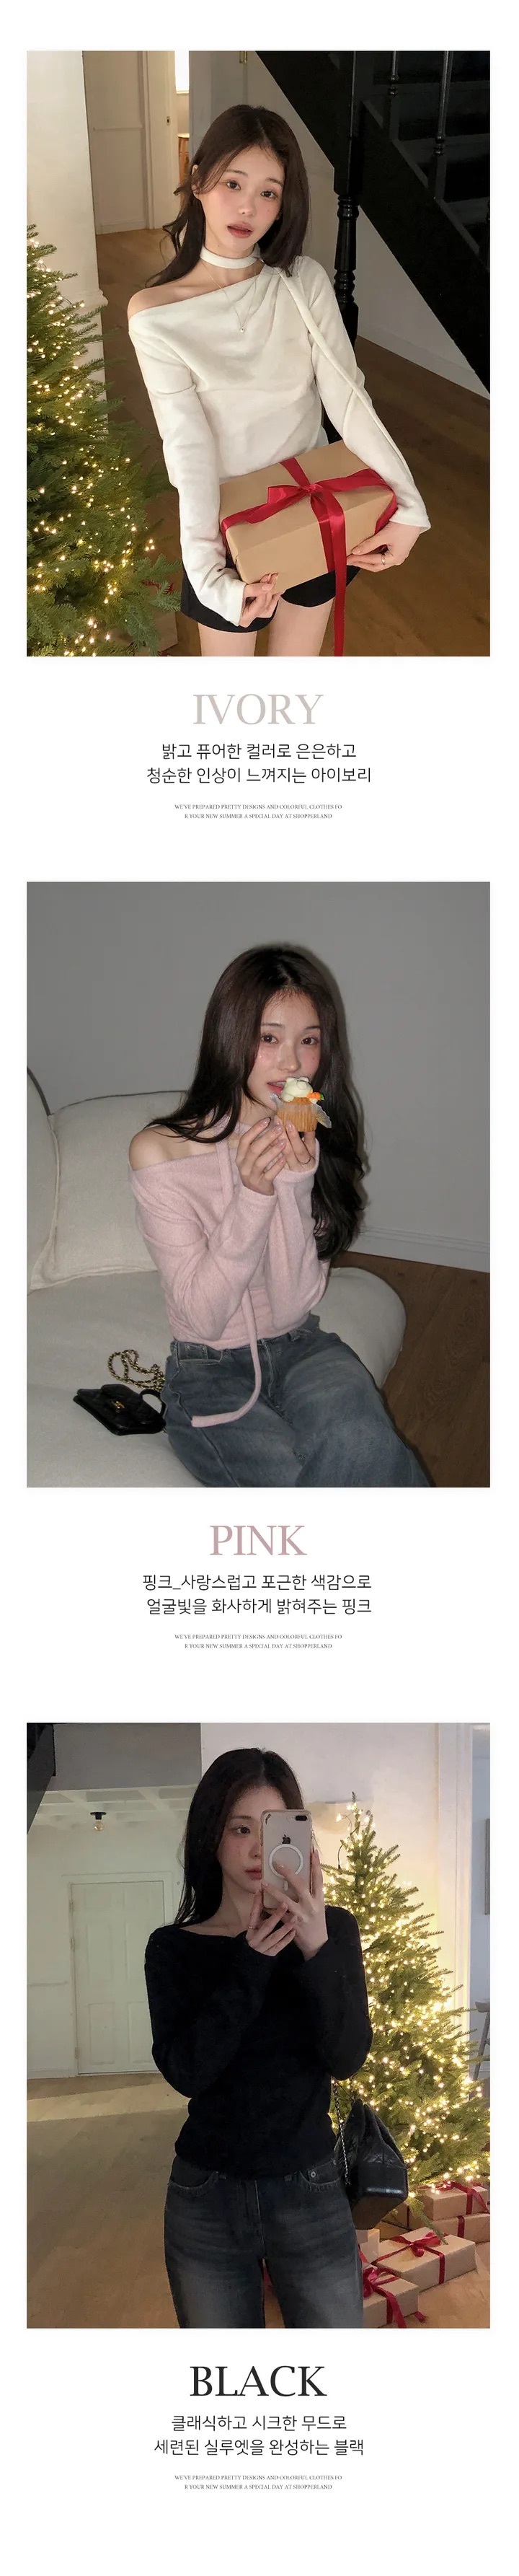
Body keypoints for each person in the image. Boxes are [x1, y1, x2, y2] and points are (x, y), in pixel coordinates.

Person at [128, 103, 430, 656]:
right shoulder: (155, 315)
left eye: (268, 192)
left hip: (317, 505)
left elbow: (348, 398)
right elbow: (188, 449)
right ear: (198, 179)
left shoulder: (301, 281)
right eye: (233, 183)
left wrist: (410, 509)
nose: (248, 206)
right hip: (230, 526)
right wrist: (208, 573)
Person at [128, 944, 430, 1486]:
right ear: (229, 1036)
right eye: (269, 1038)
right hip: (207, 1370)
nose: (292, 1063)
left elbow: (293, 1305)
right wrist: (252, 1197)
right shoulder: (160, 1151)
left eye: (308, 1040)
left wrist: (293, 1183)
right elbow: (202, 1317)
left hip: (301, 1346)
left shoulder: (309, 1138)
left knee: (365, 1444)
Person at [145, 1746, 372, 2327]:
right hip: (205, 2198)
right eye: (240, 1827)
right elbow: (187, 2070)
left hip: (311, 2187)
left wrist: (316, 1949)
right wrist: (250, 1962)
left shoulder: (333, 1930)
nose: (255, 1849)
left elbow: (347, 2055)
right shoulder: (174, 1948)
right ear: (211, 1836)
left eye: (271, 1829)